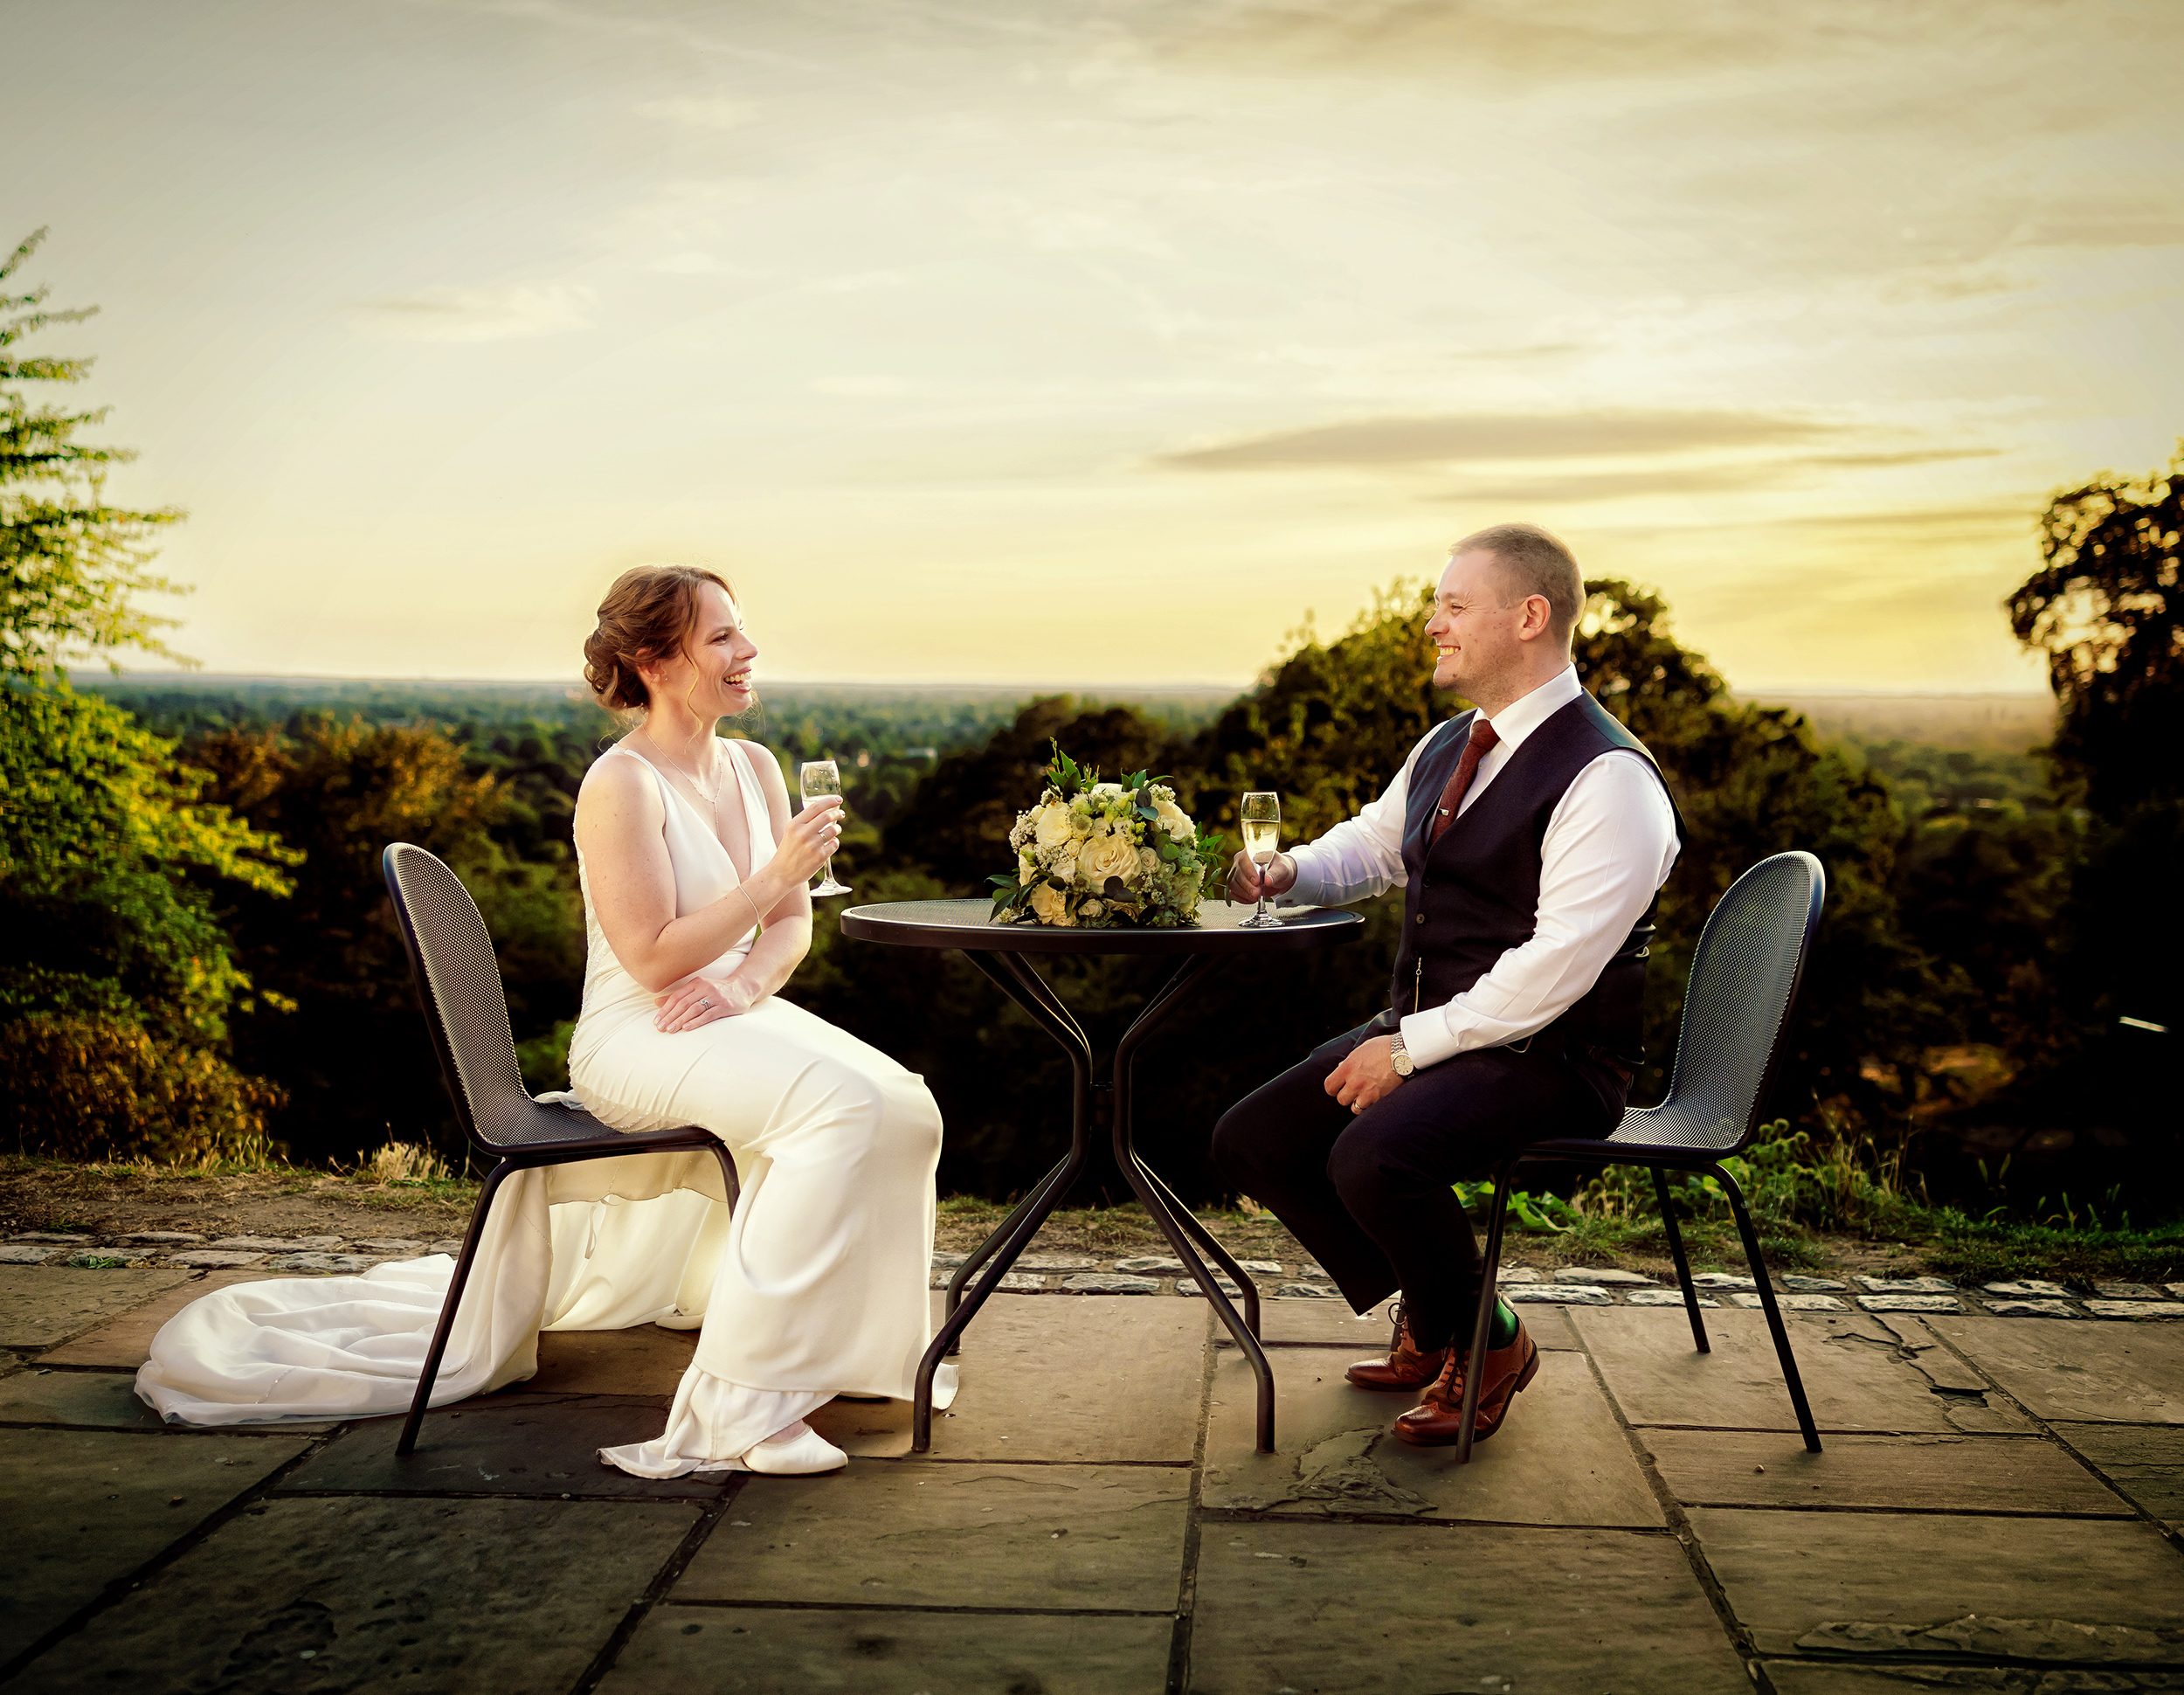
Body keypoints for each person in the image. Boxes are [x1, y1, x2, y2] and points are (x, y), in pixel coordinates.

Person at [137, 565, 950, 1479]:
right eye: (721, 637)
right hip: (637, 1036)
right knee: (841, 1108)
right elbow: (652, 957)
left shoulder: (756, 765)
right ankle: (743, 1407)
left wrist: (742, 984)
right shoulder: (621, 783)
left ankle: (852, 1354)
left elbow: (793, 925)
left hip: (729, 1012)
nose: (747, 650)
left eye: (740, 631)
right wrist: (771, 879)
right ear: (653, 660)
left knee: (905, 1101)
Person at [1212, 523, 1683, 1447]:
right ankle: (1438, 1315)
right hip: (1440, 1032)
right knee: (1254, 1140)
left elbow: (1557, 967)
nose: (1432, 624)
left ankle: (1488, 1338)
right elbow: (1376, 845)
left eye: (1453, 605)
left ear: (1529, 616)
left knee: (1372, 1155)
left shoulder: (1609, 776)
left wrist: (1406, 1049)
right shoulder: (1449, 745)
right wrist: (1289, 872)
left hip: (1555, 1058)